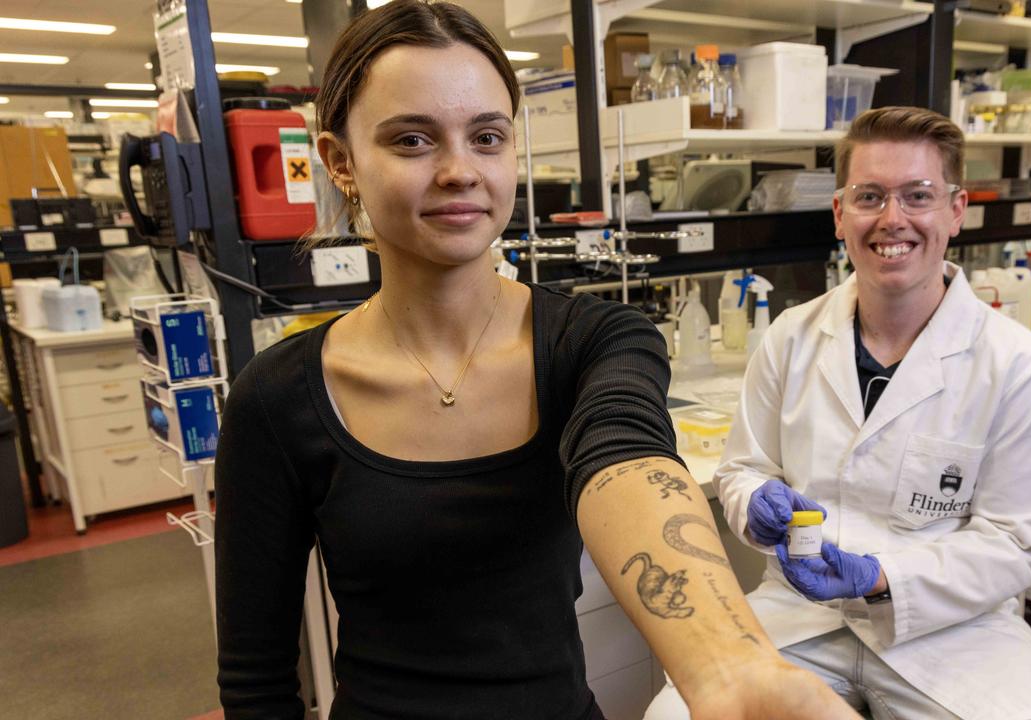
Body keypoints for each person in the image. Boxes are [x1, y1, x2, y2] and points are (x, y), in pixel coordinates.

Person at [213, 2, 862, 719]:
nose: (461, 170)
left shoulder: (594, 340)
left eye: (487, 137)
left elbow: (630, 464)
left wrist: (730, 669)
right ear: (341, 162)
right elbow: (257, 682)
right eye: (412, 141)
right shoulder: (277, 399)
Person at [646, 107, 1031, 720]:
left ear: (956, 209)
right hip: (800, 616)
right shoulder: (791, 337)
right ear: (841, 214)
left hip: (951, 631)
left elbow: (1019, 544)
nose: (892, 219)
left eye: (918, 195)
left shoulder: (1016, 364)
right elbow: (742, 471)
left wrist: (878, 575)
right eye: (870, 196)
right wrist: (755, 502)